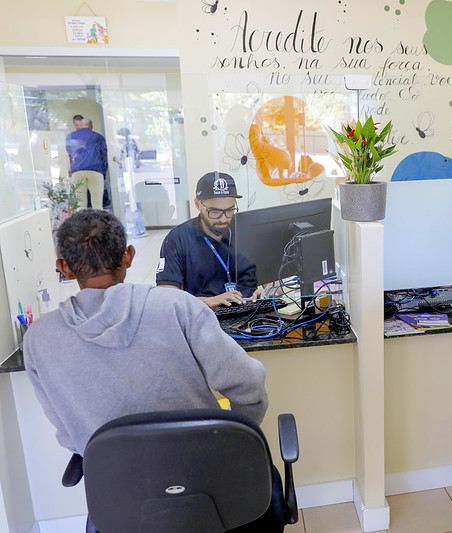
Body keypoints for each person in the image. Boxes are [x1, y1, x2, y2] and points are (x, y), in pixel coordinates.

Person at [22, 209, 283, 530]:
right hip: (216, 487)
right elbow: (250, 386)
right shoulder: (178, 307)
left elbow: (69, 435)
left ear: (64, 267)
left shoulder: (39, 339)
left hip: (125, 503)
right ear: (128, 256)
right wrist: (233, 437)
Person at [156, 171, 259, 307]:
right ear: (197, 204)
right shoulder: (177, 239)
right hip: (202, 313)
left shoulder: (247, 231)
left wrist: (269, 290)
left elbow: (274, 282)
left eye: (229, 210)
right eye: (214, 212)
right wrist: (211, 301)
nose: (223, 219)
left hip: (250, 309)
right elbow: (166, 297)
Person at [65, 117, 108, 210]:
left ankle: (82, 219)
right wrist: (104, 176)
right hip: (95, 171)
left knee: (80, 205)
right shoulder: (99, 137)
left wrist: (71, 167)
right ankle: (97, 219)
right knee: (97, 205)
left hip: (77, 170)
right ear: (91, 127)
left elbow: (70, 153)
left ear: (80, 125)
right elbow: (104, 157)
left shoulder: (70, 136)